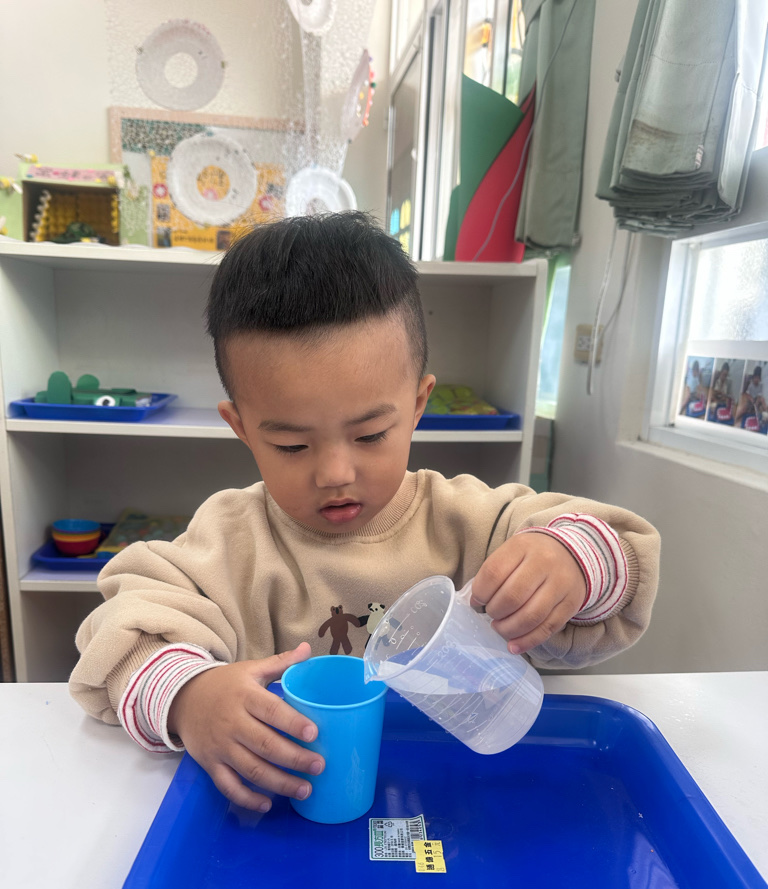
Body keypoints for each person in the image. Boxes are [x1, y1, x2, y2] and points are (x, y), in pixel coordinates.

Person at [69, 213, 660, 812]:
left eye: (371, 434)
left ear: (418, 404)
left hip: (459, 796)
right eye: (292, 445)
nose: (335, 473)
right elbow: (126, 628)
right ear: (241, 427)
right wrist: (189, 696)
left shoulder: (468, 521)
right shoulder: (231, 540)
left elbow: (619, 547)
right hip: (290, 810)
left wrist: (569, 562)